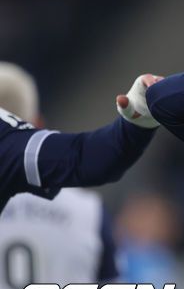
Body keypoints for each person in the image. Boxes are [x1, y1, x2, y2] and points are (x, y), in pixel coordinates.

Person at [0, 70, 160, 212]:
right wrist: (138, 118)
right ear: (38, 123)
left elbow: (84, 158)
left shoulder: (8, 140)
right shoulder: (86, 211)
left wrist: (138, 117)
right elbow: (88, 157)